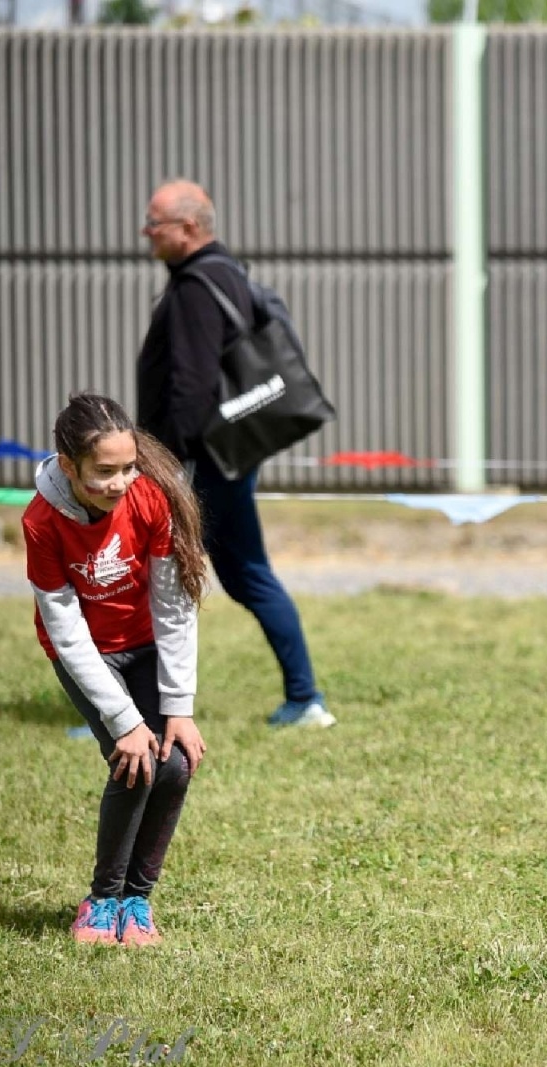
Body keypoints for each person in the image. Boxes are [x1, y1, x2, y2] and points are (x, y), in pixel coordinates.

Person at [136, 179, 334, 726]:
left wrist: (164, 464)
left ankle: (303, 699)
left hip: (200, 460)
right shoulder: (223, 274)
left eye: (155, 224)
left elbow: (194, 386)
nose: (146, 233)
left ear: (189, 228)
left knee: (220, 574)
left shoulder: (199, 286)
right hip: (222, 456)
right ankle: (303, 698)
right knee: (239, 572)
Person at [24, 393, 209, 945]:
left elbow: (173, 608)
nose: (120, 482)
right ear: (68, 466)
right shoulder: (41, 522)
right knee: (137, 763)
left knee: (174, 765)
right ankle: (101, 902)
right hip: (87, 656)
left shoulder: (150, 499)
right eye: (103, 472)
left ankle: (136, 902)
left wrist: (178, 707)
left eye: (127, 468)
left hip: (148, 645)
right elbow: (65, 629)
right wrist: (126, 721)